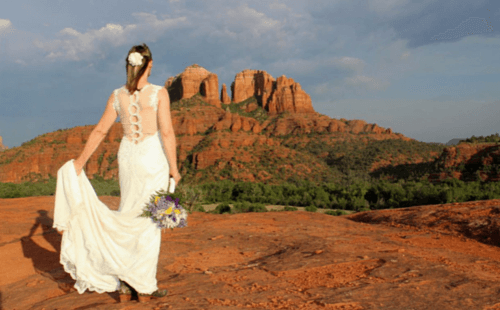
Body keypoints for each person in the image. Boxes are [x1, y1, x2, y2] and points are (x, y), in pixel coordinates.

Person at [53, 43, 181, 302]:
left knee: (128, 213)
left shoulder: (117, 95)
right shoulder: (159, 93)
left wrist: (80, 162)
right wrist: (174, 169)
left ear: (130, 65)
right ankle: (144, 287)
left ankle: (125, 285)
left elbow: (100, 130)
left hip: (128, 158)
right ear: (150, 64)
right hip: (151, 158)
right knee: (149, 222)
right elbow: (166, 132)